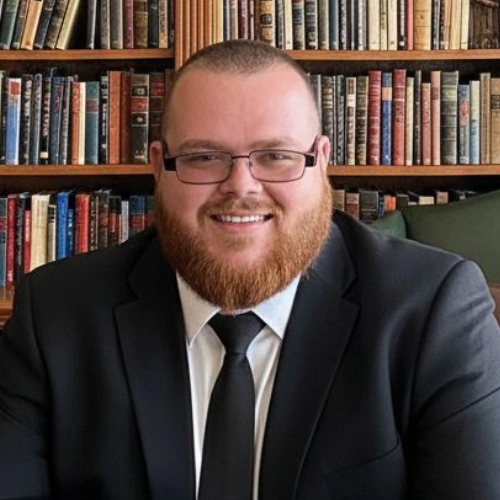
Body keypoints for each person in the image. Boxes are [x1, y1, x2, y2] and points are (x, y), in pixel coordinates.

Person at [1, 39, 500, 500]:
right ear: (158, 166)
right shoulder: (54, 317)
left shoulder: (434, 310)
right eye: (203, 157)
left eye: (277, 156)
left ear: (321, 161)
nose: (241, 185)